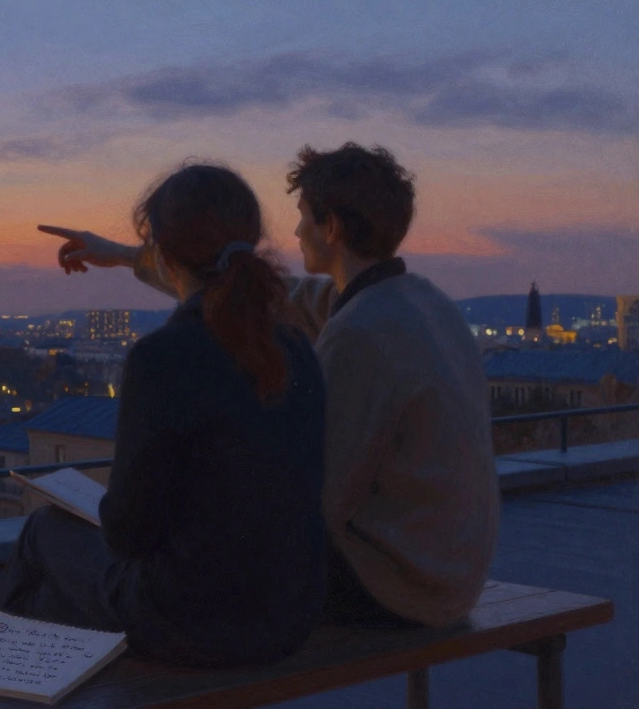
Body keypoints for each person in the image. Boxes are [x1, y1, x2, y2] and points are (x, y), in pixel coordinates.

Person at [39, 143, 500, 628]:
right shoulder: (416, 300)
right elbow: (267, 294)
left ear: (333, 227)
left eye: (304, 216)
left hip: (400, 587)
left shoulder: (362, 336)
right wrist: (127, 256)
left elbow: (318, 495)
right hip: (451, 571)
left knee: (66, 552)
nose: (297, 230)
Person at [0, 164, 329, 668]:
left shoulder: (163, 358)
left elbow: (128, 533)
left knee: (44, 532)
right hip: (288, 616)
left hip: (192, 621)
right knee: (53, 599)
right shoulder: (296, 350)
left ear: (163, 252)